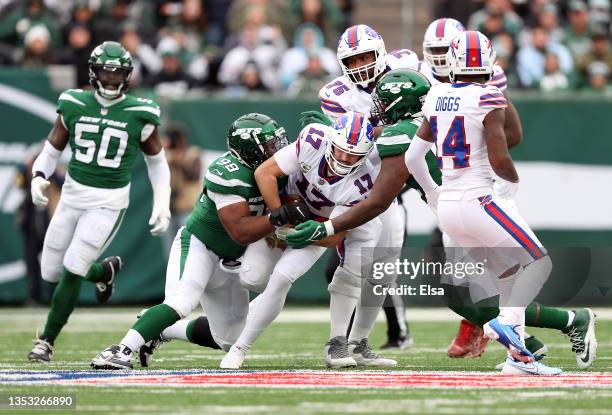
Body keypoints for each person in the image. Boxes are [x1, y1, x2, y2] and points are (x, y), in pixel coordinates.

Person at [404, 30, 563, 375]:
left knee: (508, 275)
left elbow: (414, 159)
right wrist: (513, 184)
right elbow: (499, 157)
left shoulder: (436, 95)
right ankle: (503, 323)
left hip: (448, 206)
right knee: (539, 264)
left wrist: (433, 193)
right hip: (477, 199)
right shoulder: (489, 96)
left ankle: (518, 360)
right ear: (490, 62)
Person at [91, 113, 288, 369]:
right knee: (181, 302)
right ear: (250, 150)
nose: (278, 149)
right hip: (200, 247)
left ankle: (162, 330)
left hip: (233, 259)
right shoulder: (227, 173)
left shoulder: (278, 169)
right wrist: (281, 216)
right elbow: (240, 231)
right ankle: (120, 349)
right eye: (271, 145)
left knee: (228, 340)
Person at [27, 41, 171, 362]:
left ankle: (46, 341)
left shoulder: (139, 112)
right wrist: (39, 175)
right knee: (50, 271)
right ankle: (103, 273)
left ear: (128, 76)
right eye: (105, 72)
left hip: (107, 202)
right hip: (71, 197)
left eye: (118, 73)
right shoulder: (73, 103)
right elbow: (52, 149)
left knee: (73, 266)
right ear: (93, 73)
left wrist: (162, 201)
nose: (111, 79)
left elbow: (158, 163)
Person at [220, 111, 398, 369]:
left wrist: (312, 231)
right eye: (341, 151)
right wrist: (279, 216)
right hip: (286, 216)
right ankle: (233, 323)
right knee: (252, 278)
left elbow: (336, 233)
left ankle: (239, 348)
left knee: (282, 278)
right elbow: (264, 173)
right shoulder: (314, 140)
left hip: (318, 227)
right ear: (330, 142)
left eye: (355, 155)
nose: (346, 159)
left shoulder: (363, 182)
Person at [317, 24, 422, 350]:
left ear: (380, 53)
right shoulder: (335, 95)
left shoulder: (408, 65)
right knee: (349, 265)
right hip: (362, 179)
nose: (361, 65)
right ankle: (357, 337)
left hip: (402, 170)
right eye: (353, 60)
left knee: (378, 264)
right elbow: (355, 138)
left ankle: (383, 333)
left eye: (366, 56)